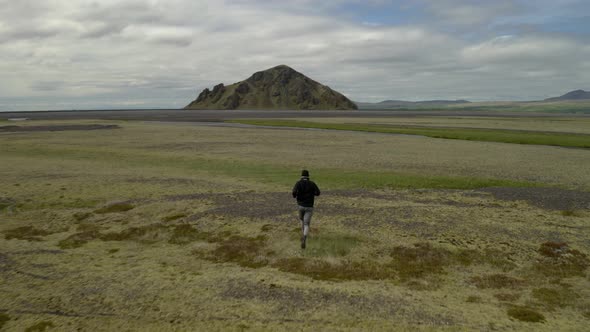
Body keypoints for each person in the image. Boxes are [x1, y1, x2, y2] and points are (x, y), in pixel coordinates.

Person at [292, 169, 320, 249]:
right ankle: (304, 237)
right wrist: (312, 194)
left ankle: (302, 234)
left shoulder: (298, 183)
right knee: (307, 223)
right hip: (309, 206)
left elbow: (294, 192)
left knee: (301, 220)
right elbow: (318, 193)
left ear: (301, 176)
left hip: (300, 205)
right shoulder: (312, 183)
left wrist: (296, 196)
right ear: (308, 176)